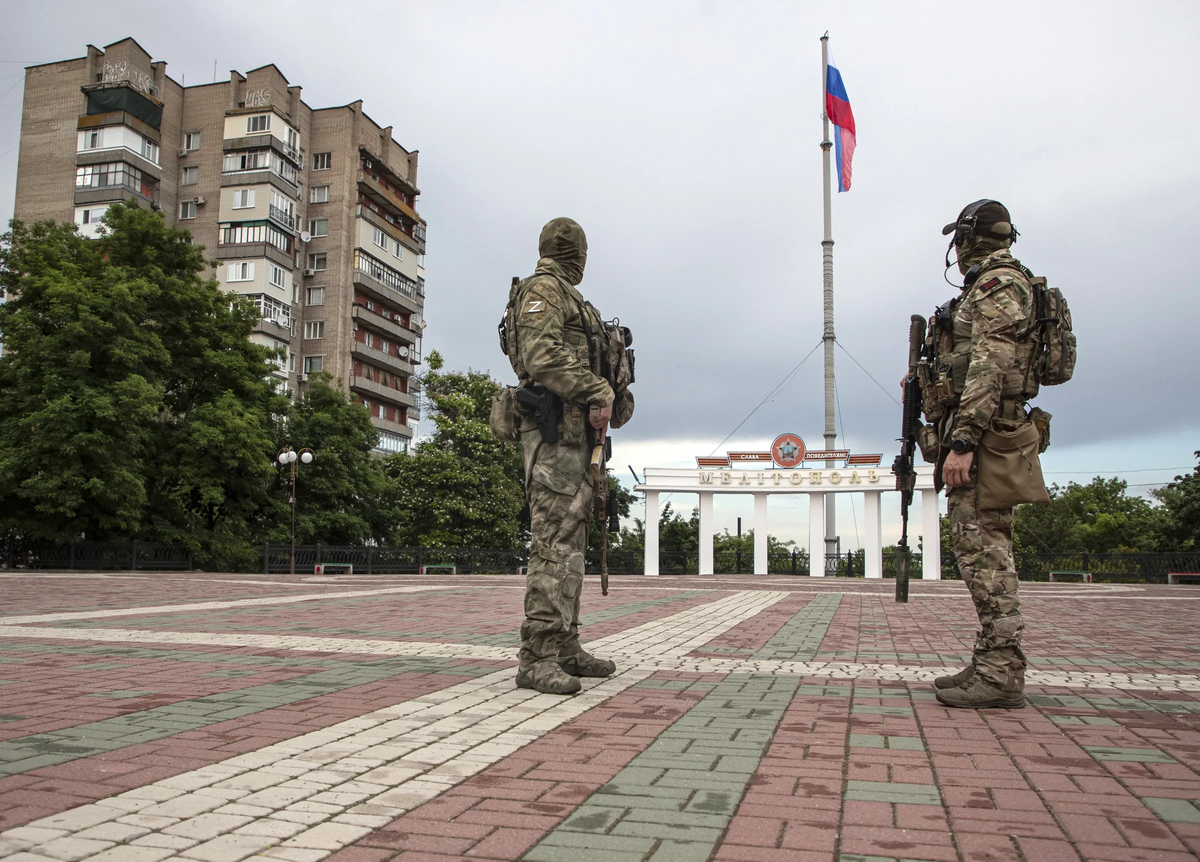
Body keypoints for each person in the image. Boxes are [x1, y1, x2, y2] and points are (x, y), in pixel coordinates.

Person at [923, 199, 1043, 710]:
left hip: (988, 438)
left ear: (970, 238)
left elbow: (989, 366)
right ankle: (994, 661)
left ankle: (1000, 674)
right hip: (990, 431)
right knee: (980, 550)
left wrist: (964, 441)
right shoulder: (998, 283)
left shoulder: (997, 283)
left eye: (959, 238)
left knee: (985, 553)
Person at [506, 217, 619, 695]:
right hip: (554, 442)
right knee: (553, 549)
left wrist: (613, 391)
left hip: (577, 445)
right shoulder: (547, 291)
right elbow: (540, 354)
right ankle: (536, 657)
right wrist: (597, 388)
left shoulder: (575, 301)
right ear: (580, 255)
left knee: (570, 551)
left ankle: (565, 646)